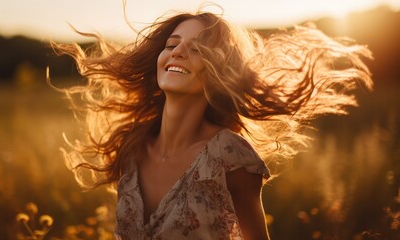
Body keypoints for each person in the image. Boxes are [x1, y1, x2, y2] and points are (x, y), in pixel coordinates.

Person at [51, 7, 372, 240]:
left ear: (220, 68)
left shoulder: (229, 155)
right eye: (172, 44)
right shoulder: (133, 147)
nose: (178, 53)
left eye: (197, 49)